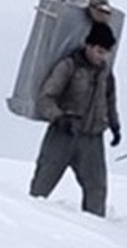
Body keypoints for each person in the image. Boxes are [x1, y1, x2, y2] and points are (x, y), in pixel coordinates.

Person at [30, 21, 122, 217]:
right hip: (63, 135)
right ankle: (26, 223)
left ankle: (95, 235)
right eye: (99, 50)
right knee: (41, 188)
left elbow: (110, 100)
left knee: (97, 189)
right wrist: (59, 118)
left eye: (105, 52)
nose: (102, 56)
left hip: (92, 140)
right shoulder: (68, 66)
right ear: (88, 45)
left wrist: (114, 125)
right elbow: (45, 98)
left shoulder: (106, 73)